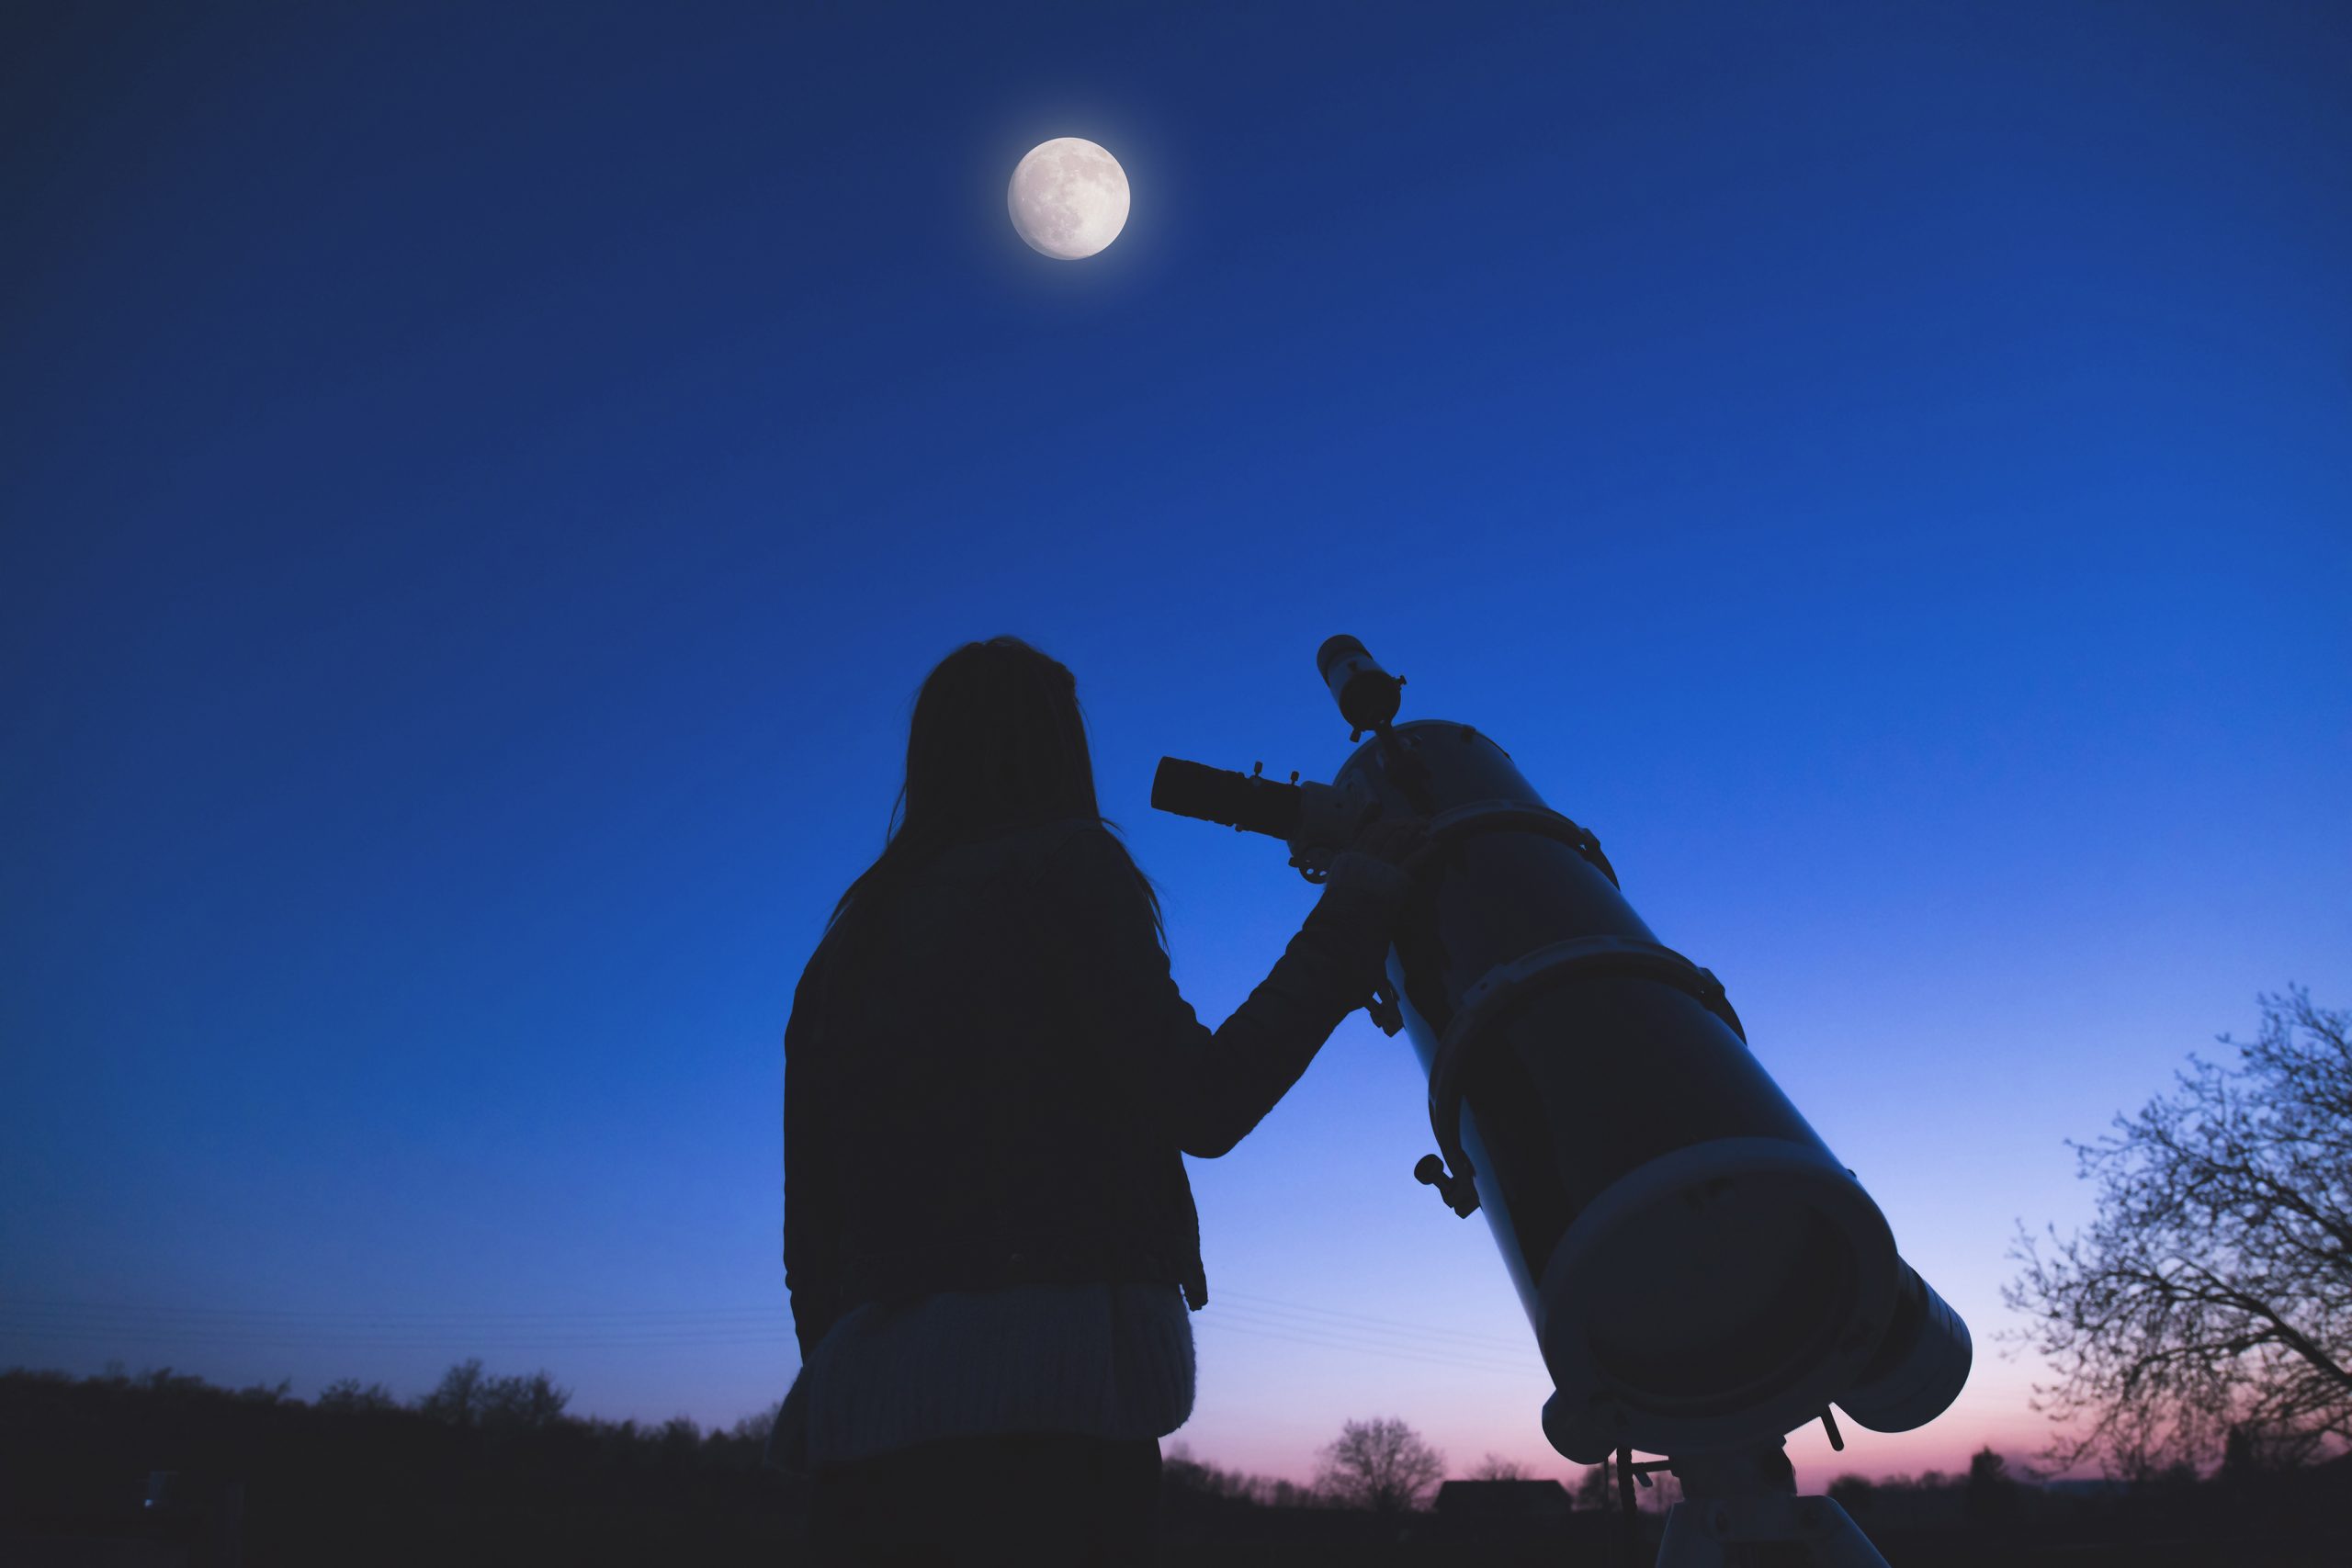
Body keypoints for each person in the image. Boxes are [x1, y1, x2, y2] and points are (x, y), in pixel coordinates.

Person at [777, 636, 1420, 1567]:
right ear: (1057, 747)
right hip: (1056, 1429)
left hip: (861, 1439)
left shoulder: (843, 947)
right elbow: (1203, 1103)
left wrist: (858, 1383)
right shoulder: (1069, 867)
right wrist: (1358, 905)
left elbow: (813, 1232)